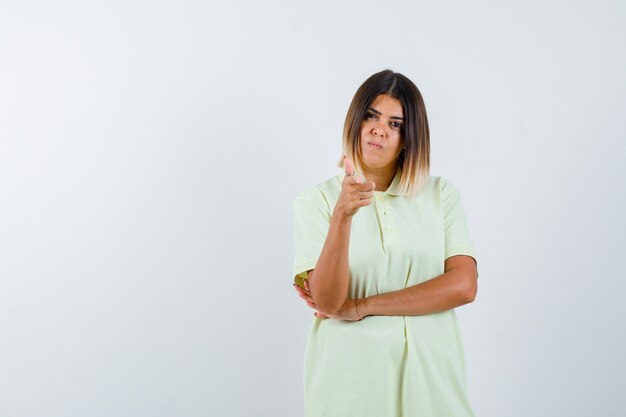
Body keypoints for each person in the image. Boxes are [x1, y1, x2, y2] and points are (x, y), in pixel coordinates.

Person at [292, 69, 479, 417]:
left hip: (433, 383)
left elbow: (464, 286)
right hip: (351, 386)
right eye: (372, 116)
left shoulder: (441, 195)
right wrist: (342, 216)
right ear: (355, 122)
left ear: (409, 138)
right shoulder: (316, 201)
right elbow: (330, 301)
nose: (379, 129)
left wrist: (362, 306)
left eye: (395, 124)